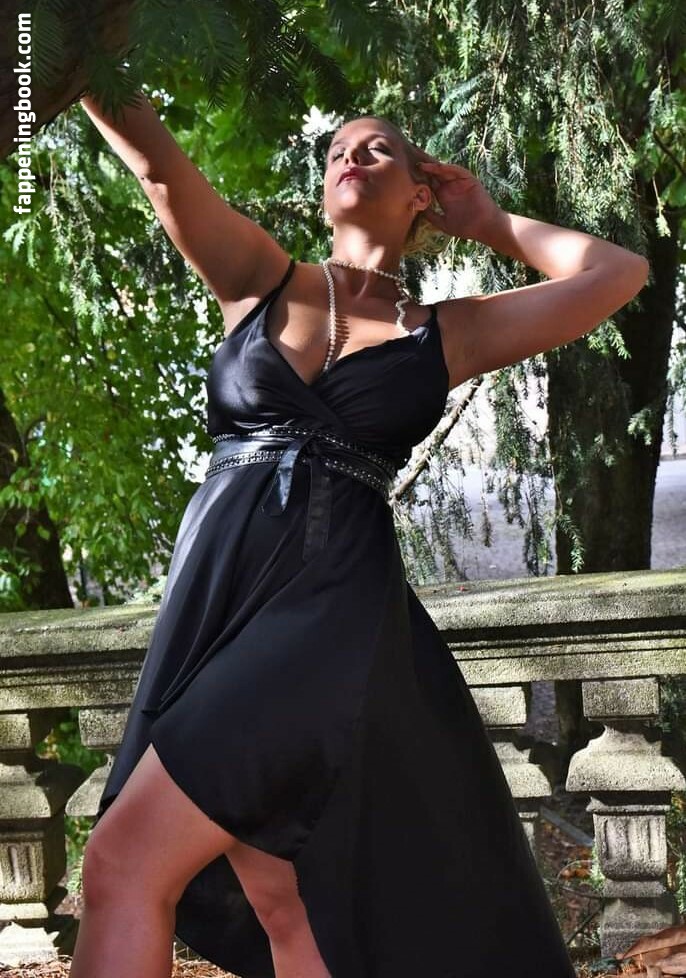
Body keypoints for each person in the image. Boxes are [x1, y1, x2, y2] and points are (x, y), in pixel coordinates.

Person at [72, 88, 649, 978]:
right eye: (338, 150)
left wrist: (489, 222)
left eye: (377, 148)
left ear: (422, 192)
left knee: (122, 863)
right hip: (218, 597)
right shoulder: (261, 279)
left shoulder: (445, 334)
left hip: (329, 607)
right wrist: (64, 51)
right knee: (288, 902)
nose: (350, 157)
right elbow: (156, 164)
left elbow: (618, 273)